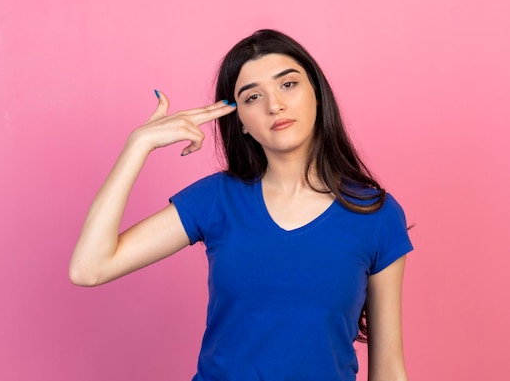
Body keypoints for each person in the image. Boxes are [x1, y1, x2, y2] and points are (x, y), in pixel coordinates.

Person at [69, 29, 413, 381]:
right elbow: (89, 268)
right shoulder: (216, 200)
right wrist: (138, 145)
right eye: (252, 97)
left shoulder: (376, 215)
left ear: (318, 95)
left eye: (288, 85)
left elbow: (388, 368)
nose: (273, 104)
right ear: (242, 124)